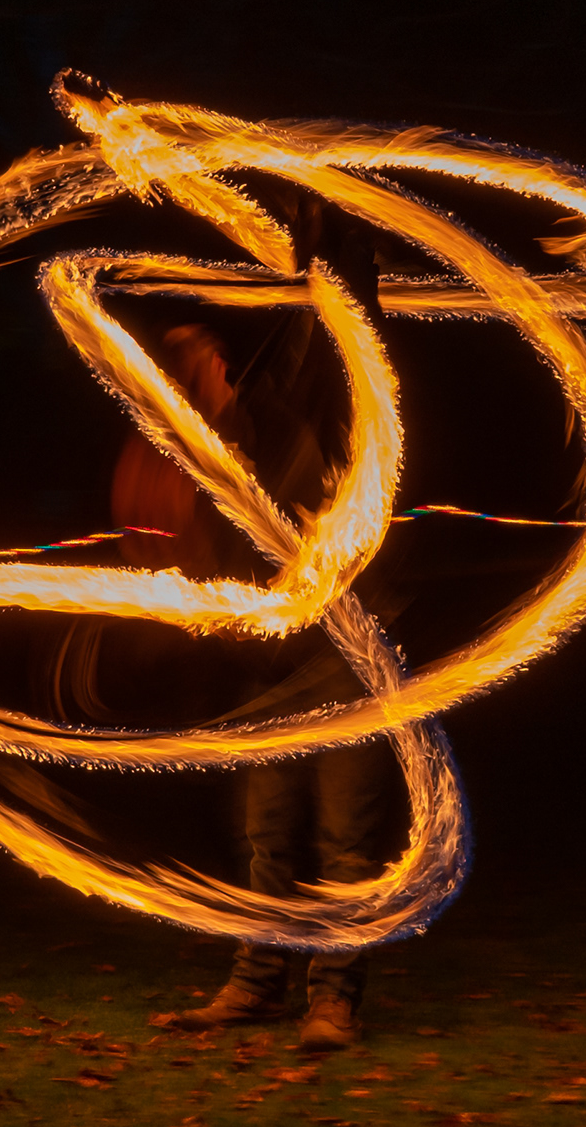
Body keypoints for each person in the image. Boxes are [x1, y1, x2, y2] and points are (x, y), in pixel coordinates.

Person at [91, 198, 400, 1053]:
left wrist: (327, 241)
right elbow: (172, 564)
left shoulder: (284, 423)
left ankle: (333, 1000)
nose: (193, 372)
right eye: (180, 364)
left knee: (343, 840)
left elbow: (336, 338)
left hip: (341, 656)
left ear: (227, 364)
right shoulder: (189, 459)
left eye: (203, 359)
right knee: (268, 839)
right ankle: (259, 984)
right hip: (263, 663)